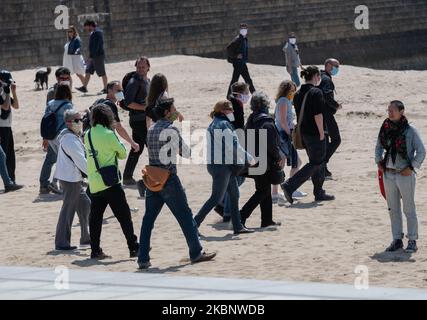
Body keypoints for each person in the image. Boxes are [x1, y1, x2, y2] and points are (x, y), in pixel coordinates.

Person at [138, 96, 216, 269]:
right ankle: (196, 252)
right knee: (185, 216)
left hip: (152, 177)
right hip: (169, 178)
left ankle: (142, 257)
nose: (175, 112)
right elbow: (186, 153)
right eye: (173, 109)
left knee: (148, 220)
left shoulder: (151, 129)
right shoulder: (171, 130)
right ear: (166, 112)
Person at [85, 104, 139, 260]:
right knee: (124, 216)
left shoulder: (87, 134)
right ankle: (133, 246)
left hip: (95, 182)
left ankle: (95, 250)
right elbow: (122, 154)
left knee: (95, 218)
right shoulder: (109, 134)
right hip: (110, 182)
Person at [194, 100, 255, 234]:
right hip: (222, 167)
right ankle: (194, 224)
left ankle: (238, 226)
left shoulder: (214, 123)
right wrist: (248, 158)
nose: (232, 112)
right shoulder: (224, 125)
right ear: (223, 111)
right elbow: (233, 146)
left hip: (218, 165)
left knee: (234, 194)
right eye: (230, 110)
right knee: (216, 198)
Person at [375, 101, 425, 253]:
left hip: (405, 174)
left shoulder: (410, 130)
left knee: (409, 208)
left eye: (392, 110)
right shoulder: (385, 128)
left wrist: (411, 167)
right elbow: (378, 147)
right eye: (388, 110)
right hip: (388, 173)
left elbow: (421, 151)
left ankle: (412, 240)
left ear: (401, 111)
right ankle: (397, 239)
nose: (389, 113)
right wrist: (378, 161)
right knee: (393, 209)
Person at [281, 66, 335, 204]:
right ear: (316, 76)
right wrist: (322, 133)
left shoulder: (298, 93)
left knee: (318, 162)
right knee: (316, 162)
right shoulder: (316, 92)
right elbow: (318, 115)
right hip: (315, 133)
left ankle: (319, 192)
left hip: (303, 133)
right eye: (319, 76)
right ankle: (290, 185)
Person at [240, 92, 284, 228]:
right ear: (264, 105)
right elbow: (271, 144)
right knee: (262, 191)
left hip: (253, 161)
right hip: (264, 163)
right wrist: (278, 157)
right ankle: (241, 216)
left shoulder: (251, 120)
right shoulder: (266, 122)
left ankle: (267, 220)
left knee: (263, 190)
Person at [54, 110, 90, 251]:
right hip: (71, 179)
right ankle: (62, 243)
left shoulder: (70, 136)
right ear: (68, 123)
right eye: (76, 120)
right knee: (68, 210)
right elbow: (80, 160)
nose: (80, 122)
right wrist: (92, 175)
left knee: (85, 204)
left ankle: (86, 239)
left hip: (72, 178)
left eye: (80, 119)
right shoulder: (69, 139)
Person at [216, 82, 251, 222]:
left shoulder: (229, 101)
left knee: (236, 177)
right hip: (233, 145)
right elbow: (238, 126)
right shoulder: (236, 103)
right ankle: (227, 211)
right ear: (241, 92)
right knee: (238, 176)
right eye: (247, 92)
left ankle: (222, 203)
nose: (248, 95)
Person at [272, 80, 307, 206]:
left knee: (295, 162)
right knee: (284, 163)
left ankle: (289, 188)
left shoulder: (286, 101)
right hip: (283, 135)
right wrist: (290, 134)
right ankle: (284, 190)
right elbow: (281, 121)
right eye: (291, 90)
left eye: (294, 90)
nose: (293, 92)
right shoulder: (283, 101)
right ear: (286, 90)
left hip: (286, 134)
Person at [40, 68, 72, 194]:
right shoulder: (52, 92)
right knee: (53, 159)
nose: (65, 80)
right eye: (62, 78)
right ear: (57, 78)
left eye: (67, 78)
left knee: (57, 159)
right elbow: (47, 116)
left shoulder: (67, 89)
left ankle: (49, 184)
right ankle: (46, 184)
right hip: (56, 133)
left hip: (57, 133)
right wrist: (45, 137)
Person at [122, 56, 151, 185]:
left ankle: (127, 177)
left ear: (148, 68)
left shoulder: (148, 80)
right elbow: (128, 103)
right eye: (138, 67)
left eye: (143, 67)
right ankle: (155, 176)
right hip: (138, 120)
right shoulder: (134, 82)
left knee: (137, 148)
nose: (140, 69)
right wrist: (145, 108)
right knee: (152, 147)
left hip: (144, 120)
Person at [318, 58, 342, 178]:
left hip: (321, 114)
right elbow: (327, 96)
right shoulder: (326, 79)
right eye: (335, 66)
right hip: (326, 115)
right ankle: (322, 164)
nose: (337, 69)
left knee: (325, 142)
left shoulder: (321, 77)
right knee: (336, 139)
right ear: (328, 65)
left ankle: (323, 168)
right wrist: (336, 105)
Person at [76, 20, 108, 94]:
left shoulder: (98, 32)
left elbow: (97, 46)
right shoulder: (93, 32)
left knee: (102, 72)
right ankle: (84, 87)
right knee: (88, 71)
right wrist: (90, 56)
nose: (86, 29)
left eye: (86, 27)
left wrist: (92, 56)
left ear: (90, 25)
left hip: (98, 56)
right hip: (93, 56)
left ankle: (106, 88)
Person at [226, 23, 256, 97]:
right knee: (235, 80)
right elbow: (228, 48)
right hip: (238, 63)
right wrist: (236, 56)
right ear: (240, 30)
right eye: (242, 28)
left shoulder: (244, 39)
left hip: (242, 63)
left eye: (245, 28)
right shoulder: (238, 39)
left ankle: (255, 94)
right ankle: (229, 96)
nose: (244, 30)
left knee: (248, 80)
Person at [0, 70, 19, 184]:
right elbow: (6, 107)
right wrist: (7, 92)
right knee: (3, 156)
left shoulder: (4, 91)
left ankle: (12, 180)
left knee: (10, 154)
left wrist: (13, 92)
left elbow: (16, 106)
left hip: (7, 126)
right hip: (1, 127)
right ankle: (8, 182)